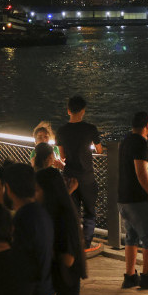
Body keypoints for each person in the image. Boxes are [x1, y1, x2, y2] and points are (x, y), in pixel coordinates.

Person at [4, 162, 54, 295]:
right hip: (44, 292)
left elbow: (23, 262)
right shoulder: (40, 213)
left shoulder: (24, 218)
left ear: (9, 188)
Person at [38, 167, 87, 295]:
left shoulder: (62, 216)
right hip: (59, 287)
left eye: (37, 190)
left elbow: (68, 258)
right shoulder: (61, 209)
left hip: (63, 289)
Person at [117, 111, 148, 290]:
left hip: (124, 199)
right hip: (140, 200)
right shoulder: (142, 144)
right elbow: (141, 171)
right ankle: (147, 275)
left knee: (132, 237)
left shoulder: (126, 141)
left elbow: (137, 162)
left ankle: (130, 276)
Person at [55, 96, 102, 251]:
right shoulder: (90, 129)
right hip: (87, 177)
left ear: (68, 110)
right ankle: (86, 244)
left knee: (73, 213)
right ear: (83, 111)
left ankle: (73, 243)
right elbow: (99, 149)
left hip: (69, 176)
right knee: (89, 212)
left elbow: (62, 156)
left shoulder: (61, 131)